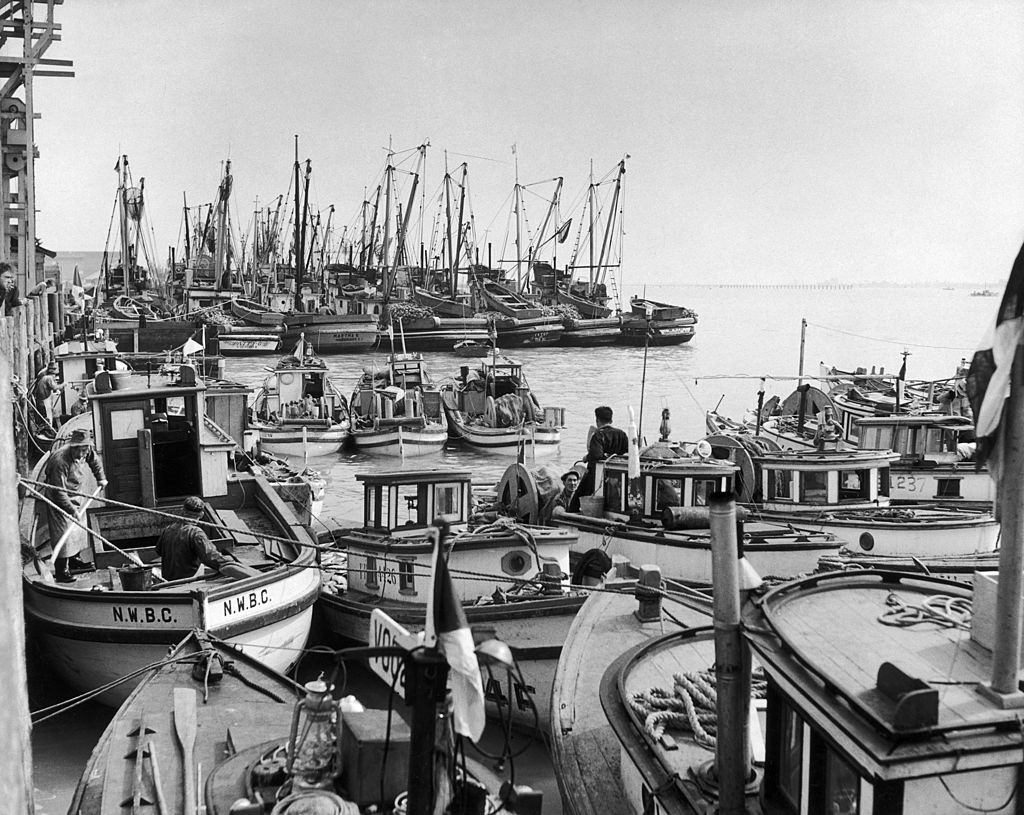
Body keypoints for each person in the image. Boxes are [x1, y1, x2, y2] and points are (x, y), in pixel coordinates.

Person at [42, 428, 107, 583]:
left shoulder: (86, 450)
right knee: (63, 532)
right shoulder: (60, 461)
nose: (85, 453)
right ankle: (61, 570)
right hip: (58, 498)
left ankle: (74, 560)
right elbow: (59, 492)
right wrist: (72, 510)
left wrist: (101, 478)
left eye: (86, 448)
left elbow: (94, 460)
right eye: (82, 450)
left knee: (77, 530)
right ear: (74, 447)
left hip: (77, 493)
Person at [154, 496, 234, 581]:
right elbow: (211, 558)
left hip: (167, 580)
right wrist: (230, 561)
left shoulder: (168, 529)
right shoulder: (196, 533)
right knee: (204, 566)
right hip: (187, 581)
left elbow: (159, 551)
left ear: (182, 511)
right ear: (201, 514)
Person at [573, 406, 631, 507]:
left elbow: (597, 456)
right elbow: (628, 453)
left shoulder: (598, 435)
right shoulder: (622, 434)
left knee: (576, 500)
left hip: (598, 477)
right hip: (618, 478)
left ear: (597, 420)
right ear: (611, 420)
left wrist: (587, 457)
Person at [31, 361, 61, 428]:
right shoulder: (47, 377)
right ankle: (48, 428)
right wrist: (63, 385)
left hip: (42, 397)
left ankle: (47, 427)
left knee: (46, 415)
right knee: (47, 417)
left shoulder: (45, 376)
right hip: (43, 399)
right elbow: (54, 386)